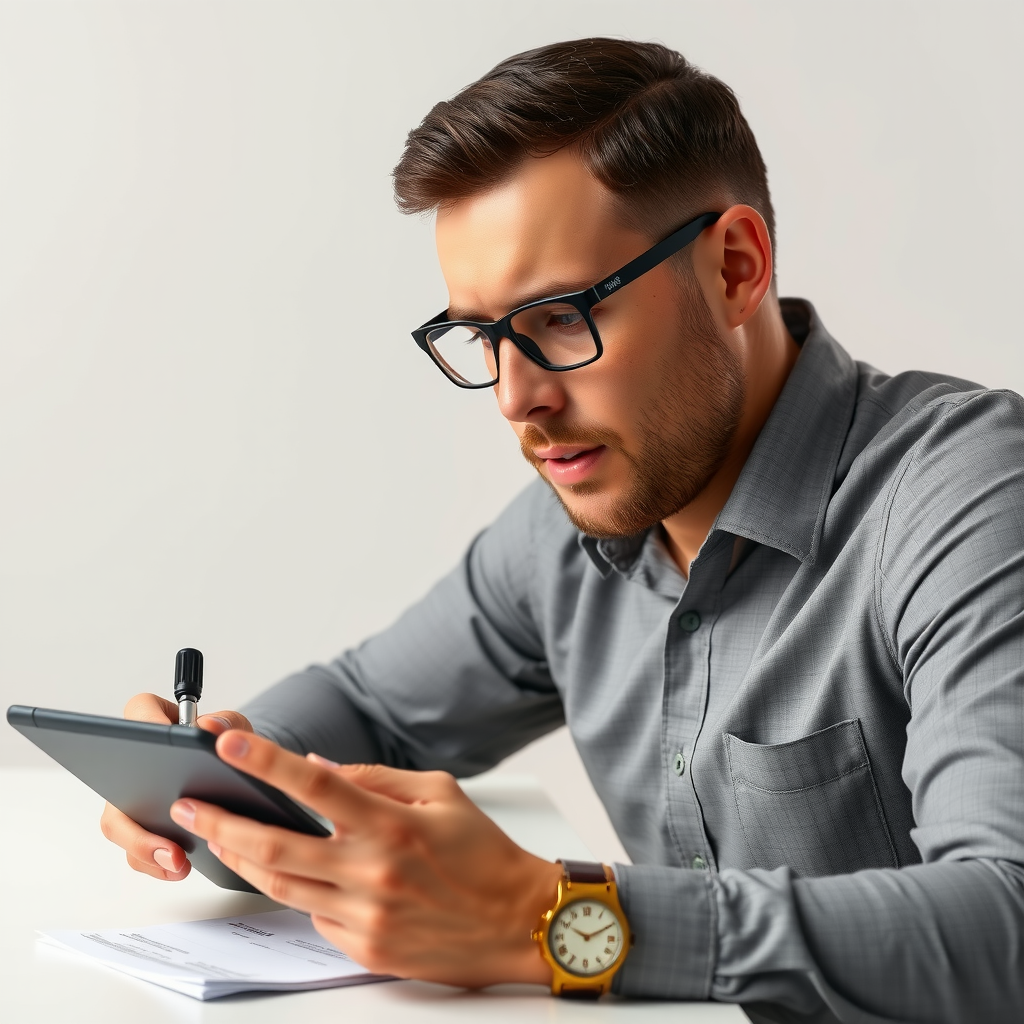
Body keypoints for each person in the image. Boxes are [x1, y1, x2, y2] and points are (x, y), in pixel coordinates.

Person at [99, 38, 1024, 1024]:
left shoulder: (966, 494)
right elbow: (370, 706)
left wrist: (549, 918)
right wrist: (217, 782)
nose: (515, 397)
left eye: (556, 318)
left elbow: (1006, 917)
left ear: (734, 267)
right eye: (483, 338)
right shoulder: (564, 539)